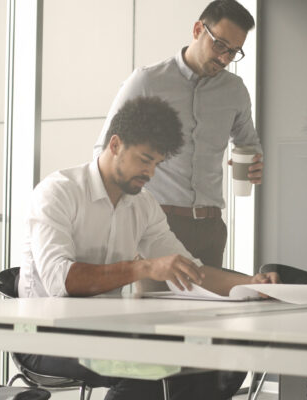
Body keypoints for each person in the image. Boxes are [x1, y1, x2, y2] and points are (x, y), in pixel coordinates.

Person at [19, 96, 279, 400]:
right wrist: (143, 267)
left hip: (106, 332)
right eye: (144, 160)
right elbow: (59, 283)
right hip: (43, 337)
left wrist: (249, 283)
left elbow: (187, 269)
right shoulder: (58, 192)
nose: (151, 173)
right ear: (115, 145)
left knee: (219, 363)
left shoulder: (142, 205)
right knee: (145, 369)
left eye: (157, 163)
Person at [94, 0, 262, 270]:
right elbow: (105, 149)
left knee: (210, 310)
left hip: (211, 228)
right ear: (197, 30)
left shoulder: (235, 90)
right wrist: (123, 216)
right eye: (220, 45)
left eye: (233, 52)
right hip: (158, 224)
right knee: (156, 311)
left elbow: (249, 144)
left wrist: (254, 165)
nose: (224, 59)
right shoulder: (147, 81)